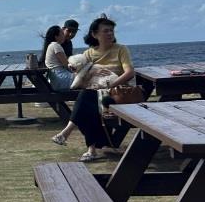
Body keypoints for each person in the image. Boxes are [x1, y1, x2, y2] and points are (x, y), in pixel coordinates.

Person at [51, 15, 135, 161]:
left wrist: (110, 85)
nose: (110, 34)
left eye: (111, 31)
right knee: (88, 99)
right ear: (94, 34)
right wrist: (93, 75)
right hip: (95, 93)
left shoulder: (121, 49)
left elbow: (129, 73)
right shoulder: (88, 54)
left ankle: (74, 137)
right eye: (105, 31)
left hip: (116, 93)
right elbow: (82, 78)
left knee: (86, 99)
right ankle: (90, 149)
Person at [42, 25, 73, 91]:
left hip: (55, 79)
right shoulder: (56, 45)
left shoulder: (51, 45)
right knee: (84, 77)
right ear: (56, 36)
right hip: (61, 78)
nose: (64, 36)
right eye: (62, 33)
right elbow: (67, 65)